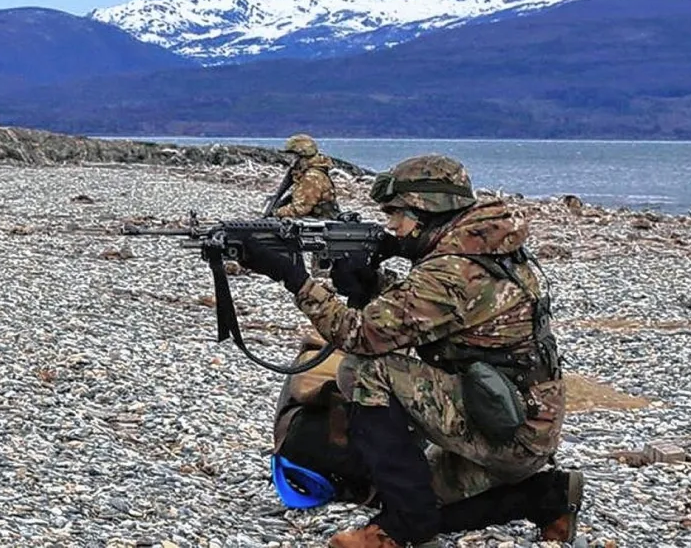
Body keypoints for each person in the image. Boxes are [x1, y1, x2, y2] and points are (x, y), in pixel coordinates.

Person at [243, 155, 583, 548]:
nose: (391, 227)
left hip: (510, 431)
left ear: (426, 210)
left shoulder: (452, 270)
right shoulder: (481, 246)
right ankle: (547, 497)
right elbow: (432, 315)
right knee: (421, 492)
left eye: (396, 215)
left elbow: (360, 335)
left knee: (366, 371)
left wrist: (294, 278)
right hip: (516, 417)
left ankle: (400, 527)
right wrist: (368, 284)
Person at [271, 134, 341, 220]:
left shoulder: (312, 177)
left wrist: (276, 212)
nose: (291, 160)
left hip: (317, 225)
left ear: (302, 156)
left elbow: (300, 209)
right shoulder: (309, 173)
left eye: (293, 156)